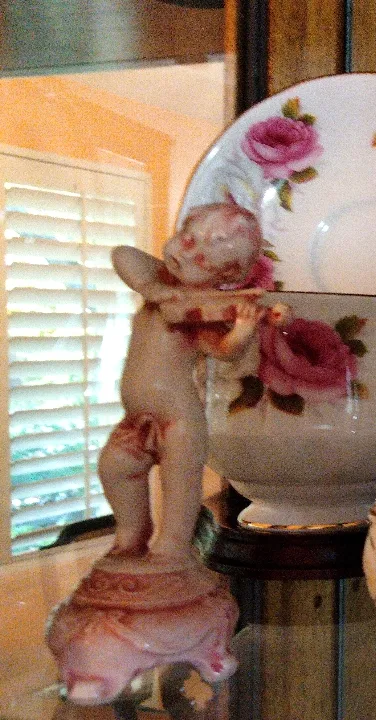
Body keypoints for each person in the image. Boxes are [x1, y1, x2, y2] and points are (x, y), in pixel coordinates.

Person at [99, 202, 278, 565]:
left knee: (179, 485)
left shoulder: (202, 312)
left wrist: (243, 329)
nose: (185, 252)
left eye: (202, 259)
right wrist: (152, 288)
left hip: (178, 419)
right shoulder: (160, 282)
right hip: (137, 417)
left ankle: (172, 546)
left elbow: (225, 352)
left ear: (225, 277)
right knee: (115, 467)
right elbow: (123, 255)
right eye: (187, 237)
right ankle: (132, 532)